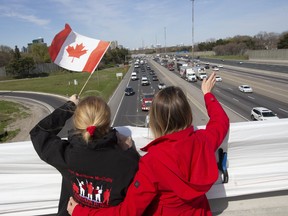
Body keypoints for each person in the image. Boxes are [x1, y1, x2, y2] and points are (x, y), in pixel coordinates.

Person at [67, 72, 230, 216]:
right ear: (187, 114)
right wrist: (207, 94)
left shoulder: (152, 163)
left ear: (156, 121)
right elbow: (221, 121)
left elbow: (127, 212)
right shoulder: (204, 141)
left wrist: (80, 212)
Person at [30, 95, 140, 215]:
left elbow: (38, 133)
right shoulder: (128, 163)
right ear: (107, 122)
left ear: (78, 123)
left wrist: (69, 107)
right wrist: (131, 150)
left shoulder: (67, 155)